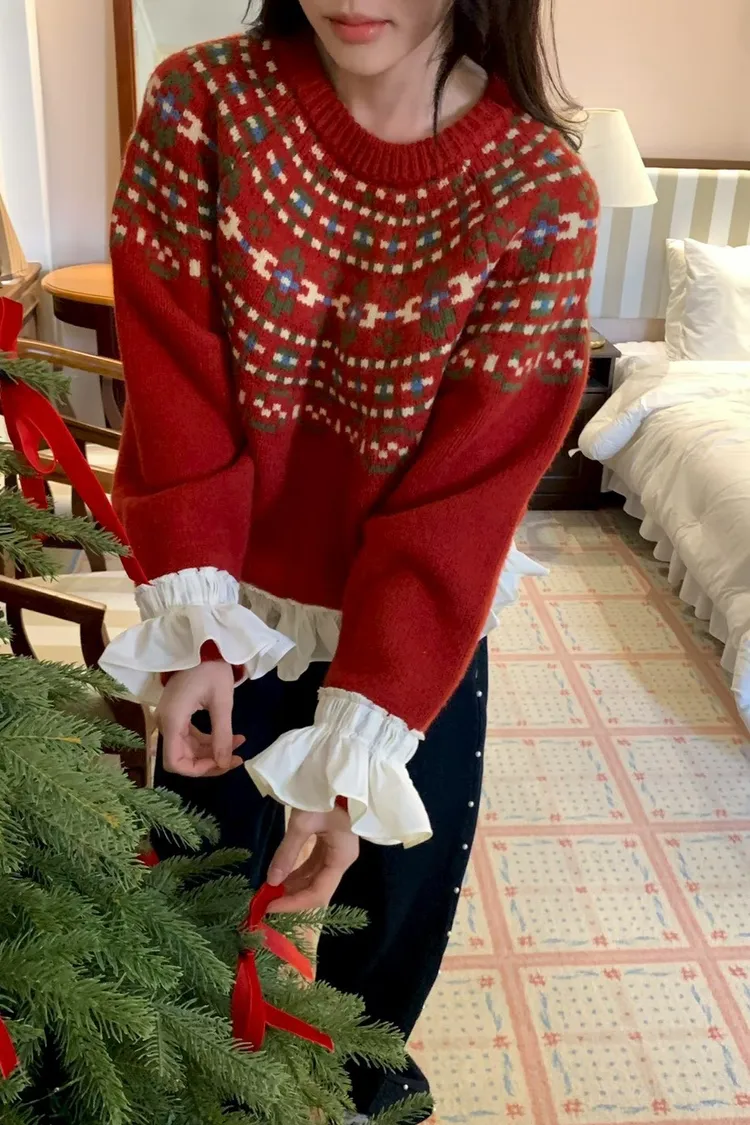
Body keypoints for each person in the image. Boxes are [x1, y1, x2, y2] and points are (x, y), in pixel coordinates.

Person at [101, 1, 599, 1118]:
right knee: (190, 897)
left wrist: (359, 737)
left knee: (397, 911)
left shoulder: (539, 193)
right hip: (230, 601)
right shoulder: (203, 105)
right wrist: (200, 628)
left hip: (416, 629)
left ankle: (372, 1097)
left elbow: (464, 498)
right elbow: (178, 384)